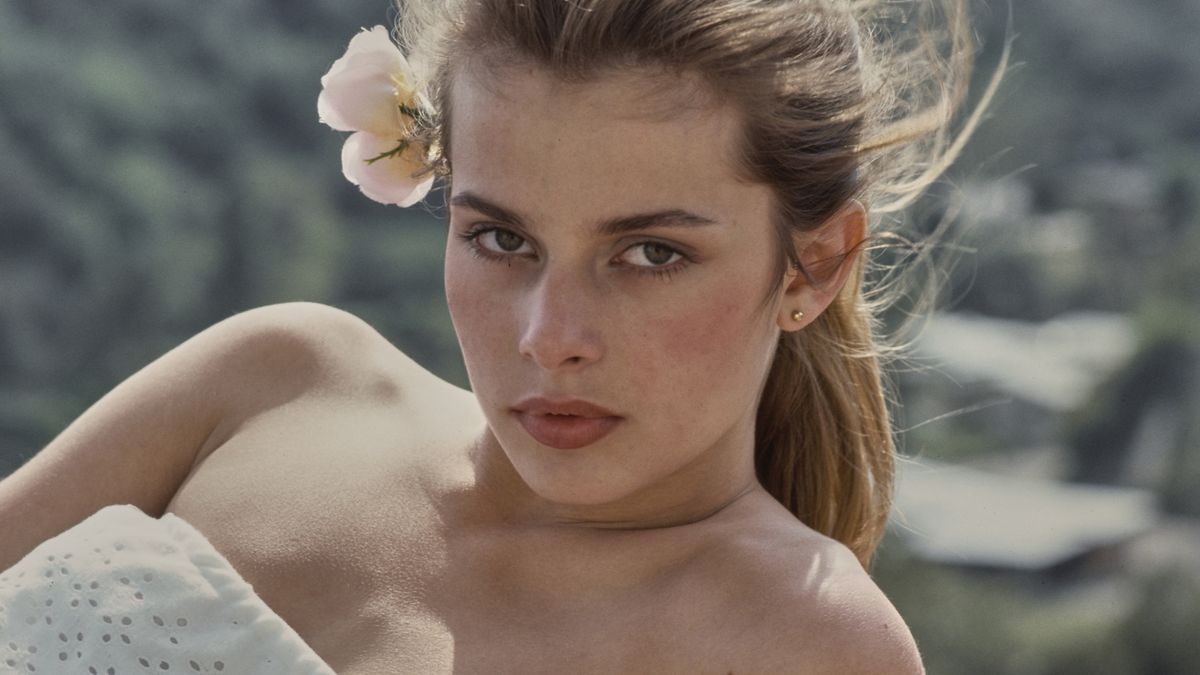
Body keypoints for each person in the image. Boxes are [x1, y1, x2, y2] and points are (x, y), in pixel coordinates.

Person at [0, 0, 1002, 671]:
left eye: (651, 253)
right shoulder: (271, 382)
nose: (549, 336)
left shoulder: (803, 645)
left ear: (813, 266)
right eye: (501, 238)